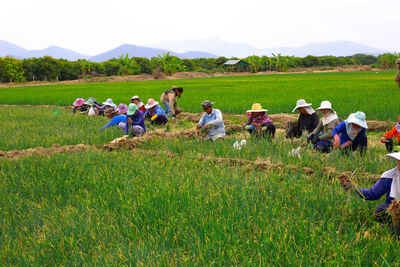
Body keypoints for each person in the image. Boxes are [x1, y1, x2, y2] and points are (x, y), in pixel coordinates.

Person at [340, 152, 400, 228]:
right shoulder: (390, 176)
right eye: (398, 161)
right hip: (395, 212)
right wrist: (353, 189)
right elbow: (373, 194)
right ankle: (391, 225)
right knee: (380, 210)